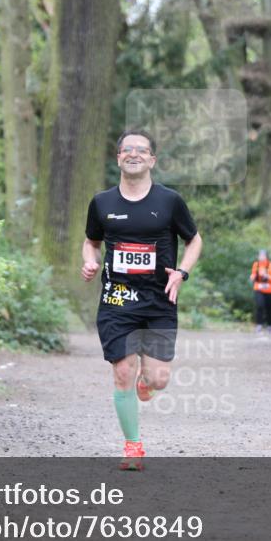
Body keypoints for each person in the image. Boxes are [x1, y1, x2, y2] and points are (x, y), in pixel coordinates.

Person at [81, 130, 203, 471]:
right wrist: (90, 260)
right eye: (127, 149)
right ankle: (133, 447)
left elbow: (194, 241)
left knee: (159, 379)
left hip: (158, 301)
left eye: (141, 150)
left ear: (152, 160)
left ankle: (146, 382)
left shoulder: (169, 201)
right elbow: (91, 241)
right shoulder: (102, 203)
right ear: (118, 157)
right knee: (121, 372)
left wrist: (181, 272)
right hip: (116, 300)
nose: (133, 154)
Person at [250, 249, 271, 334]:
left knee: (269, 308)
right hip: (259, 289)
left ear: (266, 256)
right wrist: (252, 276)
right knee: (260, 306)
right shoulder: (256, 264)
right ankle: (259, 325)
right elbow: (254, 274)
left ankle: (270, 325)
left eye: (263, 256)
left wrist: (268, 276)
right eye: (260, 255)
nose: (261, 257)